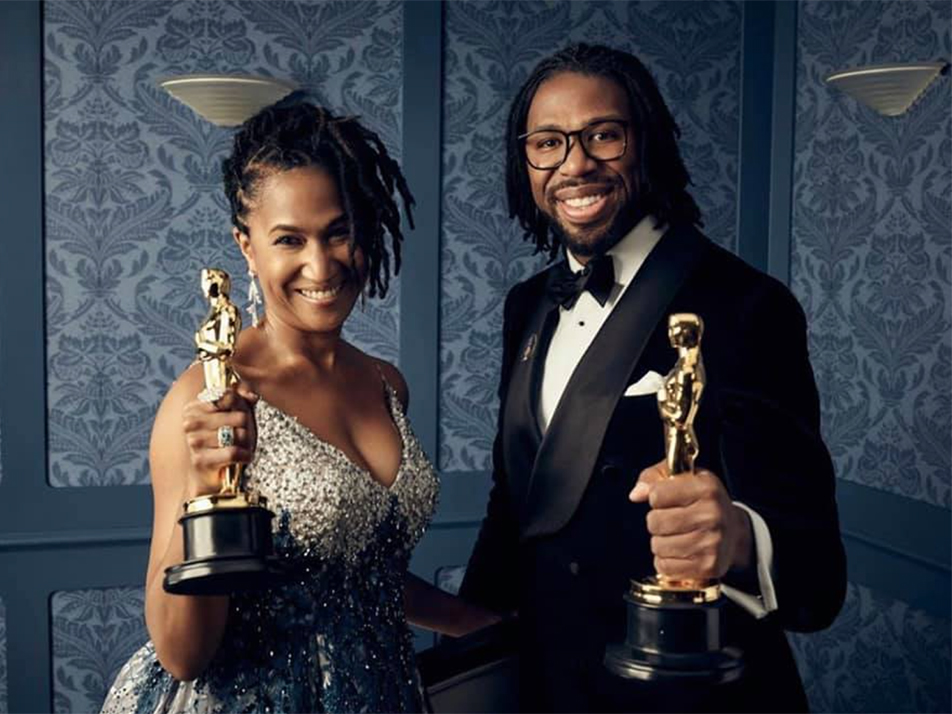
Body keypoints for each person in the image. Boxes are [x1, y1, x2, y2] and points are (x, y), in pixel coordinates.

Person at [458, 43, 846, 712]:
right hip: (551, 686)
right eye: (548, 142)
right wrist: (462, 655)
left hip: (692, 695)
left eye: (603, 135)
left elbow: (816, 575)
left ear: (649, 143)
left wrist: (736, 538)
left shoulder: (746, 305)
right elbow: (514, 505)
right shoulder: (527, 303)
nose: (575, 164)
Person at [101, 99, 495, 714]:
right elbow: (180, 654)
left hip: (382, 693)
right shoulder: (212, 398)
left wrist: (486, 625)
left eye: (339, 231)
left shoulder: (386, 383)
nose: (321, 264)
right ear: (247, 246)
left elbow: (357, 576)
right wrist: (207, 486)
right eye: (290, 239)